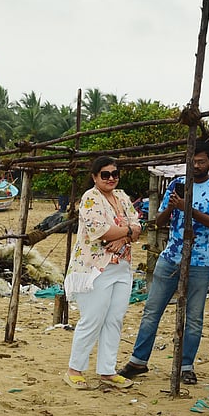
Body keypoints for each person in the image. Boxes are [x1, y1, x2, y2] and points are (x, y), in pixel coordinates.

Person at [118, 140, 209, 385]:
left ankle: (186, 365)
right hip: (170, 256)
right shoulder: (177, 186)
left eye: (201, 161)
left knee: (194, 316)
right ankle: (138, 360)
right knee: (151, 310)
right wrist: (172, 207)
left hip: (202, 260)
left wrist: (188, 208)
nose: (197, 165)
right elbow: (157, 222)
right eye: (193, 161)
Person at [64, 155, 141, 390]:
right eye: (105, 174)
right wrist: (127, 232)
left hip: (122, 266)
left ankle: (107, 370)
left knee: (114, 320)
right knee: (93, 319)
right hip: (95, 268)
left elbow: (138, 224)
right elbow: (101, 231)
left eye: (114, 174)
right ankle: (74, 369)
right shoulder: (90, 198)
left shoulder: (122, 196)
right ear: (95, 177)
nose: (111, 178)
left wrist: (125, 235)